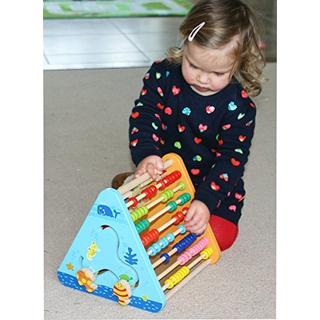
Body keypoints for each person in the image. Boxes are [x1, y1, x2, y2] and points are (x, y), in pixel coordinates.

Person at [112, 0, 265, 251]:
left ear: (239, 63)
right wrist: (147, 154)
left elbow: (231, 160)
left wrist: (205, 201)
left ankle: (139, 188)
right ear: (185, 43)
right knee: (134, 222)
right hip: (163, 173)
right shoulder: (162, 75)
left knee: (220, 237)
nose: (203, 78)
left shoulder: (240, 108)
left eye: (218, 73)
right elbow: (144, 115)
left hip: (211, 182)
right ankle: (133, 179)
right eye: (193, 65)